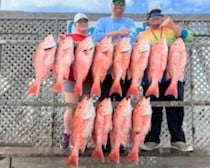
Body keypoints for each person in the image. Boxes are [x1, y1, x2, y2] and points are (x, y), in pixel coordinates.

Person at [138, 5, 193, 152]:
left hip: (172, 77)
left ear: (162, 17)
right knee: (152, 110)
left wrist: (173, 25)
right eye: (152, 15)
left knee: (175, 109)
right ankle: (151, 140)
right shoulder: (142, 36)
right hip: (151, 79)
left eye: (158, 13)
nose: (155, 16)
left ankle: (178, 140)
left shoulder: (171, 30)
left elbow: (189, 37)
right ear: (147, 20)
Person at [91, 0, 137, 152]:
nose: (118, 8)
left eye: (121, 5)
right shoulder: (103, 21)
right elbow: (96, 37)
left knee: (122, 109)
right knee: (104, 108)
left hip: (123, 73)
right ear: (111, 6)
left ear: (124, 7)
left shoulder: (130, 22)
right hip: (105, 73)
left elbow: (133, 38)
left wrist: (113, 40)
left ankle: (119, 143)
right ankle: (103, 142)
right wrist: (117, 33)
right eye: (115, 5)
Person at [60, 13, 92, 149]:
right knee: (71, 107)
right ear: (74, 25)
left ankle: (79, 138)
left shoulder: (91, 39)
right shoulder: (68, 37)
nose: (83, 23)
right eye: (79, 21)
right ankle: (66, 134)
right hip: (71, 78)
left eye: (85, 20)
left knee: (83, 110)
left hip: (88, 79)